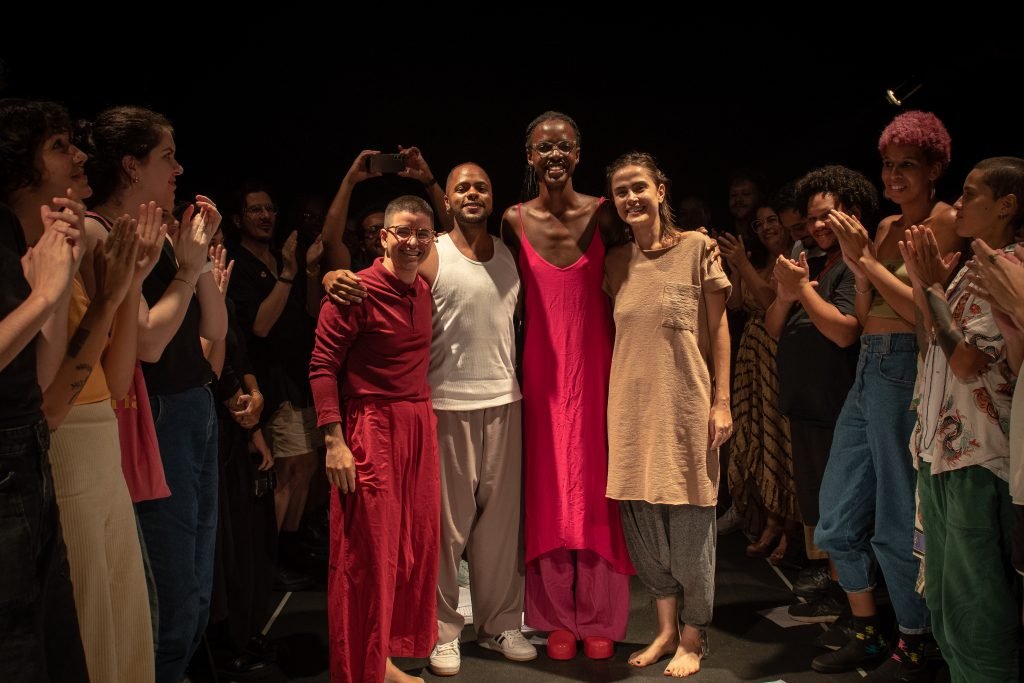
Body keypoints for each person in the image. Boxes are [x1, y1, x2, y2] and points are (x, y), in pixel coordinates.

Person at [812, 111, 959, 678]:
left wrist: (868, 261)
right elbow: (864, 310)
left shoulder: (945, 223)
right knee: (834, 518)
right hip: (868, 368)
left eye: (907, 166)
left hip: (906, 368)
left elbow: (923, 313)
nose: (894, 176)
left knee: (897, 519)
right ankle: (869, 629)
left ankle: (917, 641)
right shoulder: (887, 227)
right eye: (888, 165)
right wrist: (860, 260)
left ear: (934, 169)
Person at [499, 111, 633, 659]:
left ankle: (599, 614)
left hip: (600, 366)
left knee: (599, 487)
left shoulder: (604, 216)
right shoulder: (511, 220)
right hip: (542, 370)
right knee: (548, 488)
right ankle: (555, 616)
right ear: (529, 158)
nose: (553, 156)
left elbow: (649, 254)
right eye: (542, 148)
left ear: (578, 156)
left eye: (563, 148)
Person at [604, 152, 731, 678]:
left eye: (639, 187)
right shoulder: (614, 263)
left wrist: (721, 402)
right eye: (620, 192)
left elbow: (719, 328)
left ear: (660, 189)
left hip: (686, 406)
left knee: (691, 527)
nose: (630, 198)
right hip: (630, 411)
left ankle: (694, 636)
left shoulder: (697, 247)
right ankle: (663, 630)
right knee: (644, 530)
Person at [901, 157, 1023, 682]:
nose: (956, 204)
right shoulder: (970, 267)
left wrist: (931, 289)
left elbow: (969, 362)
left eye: (970, 194)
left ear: (1006, 205)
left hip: (978, 455)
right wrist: (929, 288)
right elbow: (933, 344)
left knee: (979, 611)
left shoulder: (1013, 266)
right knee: (947, 609)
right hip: (940, 451)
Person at [310, 195, 440, 683]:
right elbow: (322, 367)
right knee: (367, 552)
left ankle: (380, 660)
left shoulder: (422, 288)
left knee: (410, 547)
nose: (412, 241)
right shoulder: (353, 292)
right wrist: (334, 441)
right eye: (402, 232)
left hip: (417, 424)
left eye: (422, 234)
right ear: (384, 236)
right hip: (372, 428)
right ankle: (361, 670)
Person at [0, 97, 90, 683]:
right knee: (15, 638)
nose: (79, 155)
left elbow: (38, 374)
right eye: (59, 146)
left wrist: (56, 289)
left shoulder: (24, 246)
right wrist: (42, 297)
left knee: (47, 625)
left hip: (25, 447)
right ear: (17, 169)